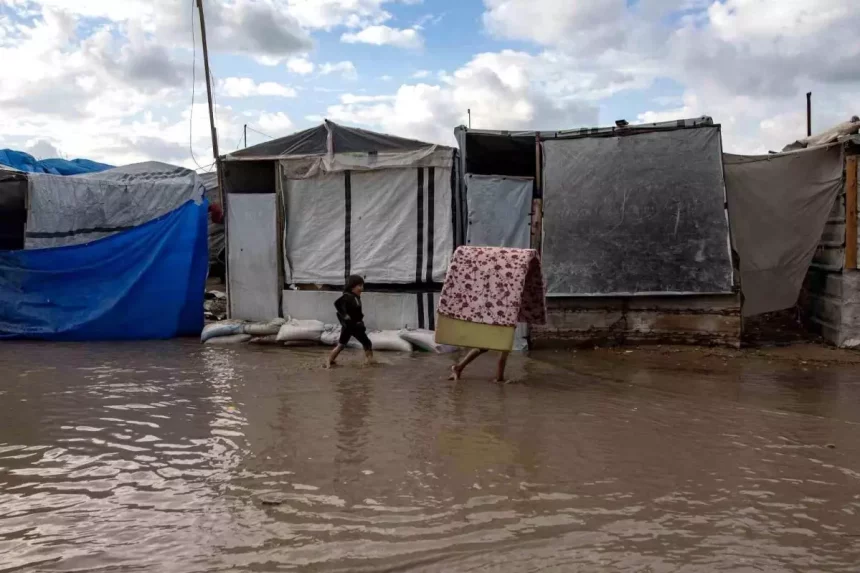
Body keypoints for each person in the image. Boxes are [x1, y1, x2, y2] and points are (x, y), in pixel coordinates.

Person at [326, 275, 374, 368]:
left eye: (362, 286)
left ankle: (329, 361)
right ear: (352, 286)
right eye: (359, 286)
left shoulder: (355, 297)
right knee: (367, 343)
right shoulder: (348, 296)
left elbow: (356, 313)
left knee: (341, 345)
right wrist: (345, 316)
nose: (362, 288)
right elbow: (337, 304)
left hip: (350, 326)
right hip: (352, 326)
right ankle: (370, 363)